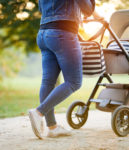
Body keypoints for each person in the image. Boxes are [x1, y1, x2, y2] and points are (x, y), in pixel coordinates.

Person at [28, 0, 95, 139]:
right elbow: (88, 9)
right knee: (74, 82)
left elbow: (42, 8)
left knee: (48, 82)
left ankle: (52, 128)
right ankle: (39, 112)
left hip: (43, 34)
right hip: (62, 32)